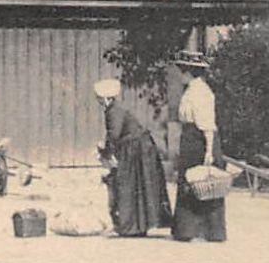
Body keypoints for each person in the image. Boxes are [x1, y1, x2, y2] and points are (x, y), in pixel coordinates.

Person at [95, 77, 172, 236]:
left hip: (138, 149)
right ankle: (137, 226)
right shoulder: (114, 109)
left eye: (100, 98)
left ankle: (132, 226)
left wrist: (106, 152)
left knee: (131, 185)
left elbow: (114, 135)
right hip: (135, 147)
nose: (98, 101)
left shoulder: (114, 111)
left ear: (107, 98)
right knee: (136, 185)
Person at [171, 51, 227, 242]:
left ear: (189, 72)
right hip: (190, 138)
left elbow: (207, 124)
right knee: (189, 182)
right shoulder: (190, 90)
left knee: (204, 182)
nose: (179, 75)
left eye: (182, 71)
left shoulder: (202, 93)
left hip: (201, 139)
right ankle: (187, 230)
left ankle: (210, 231)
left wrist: (209, 151)